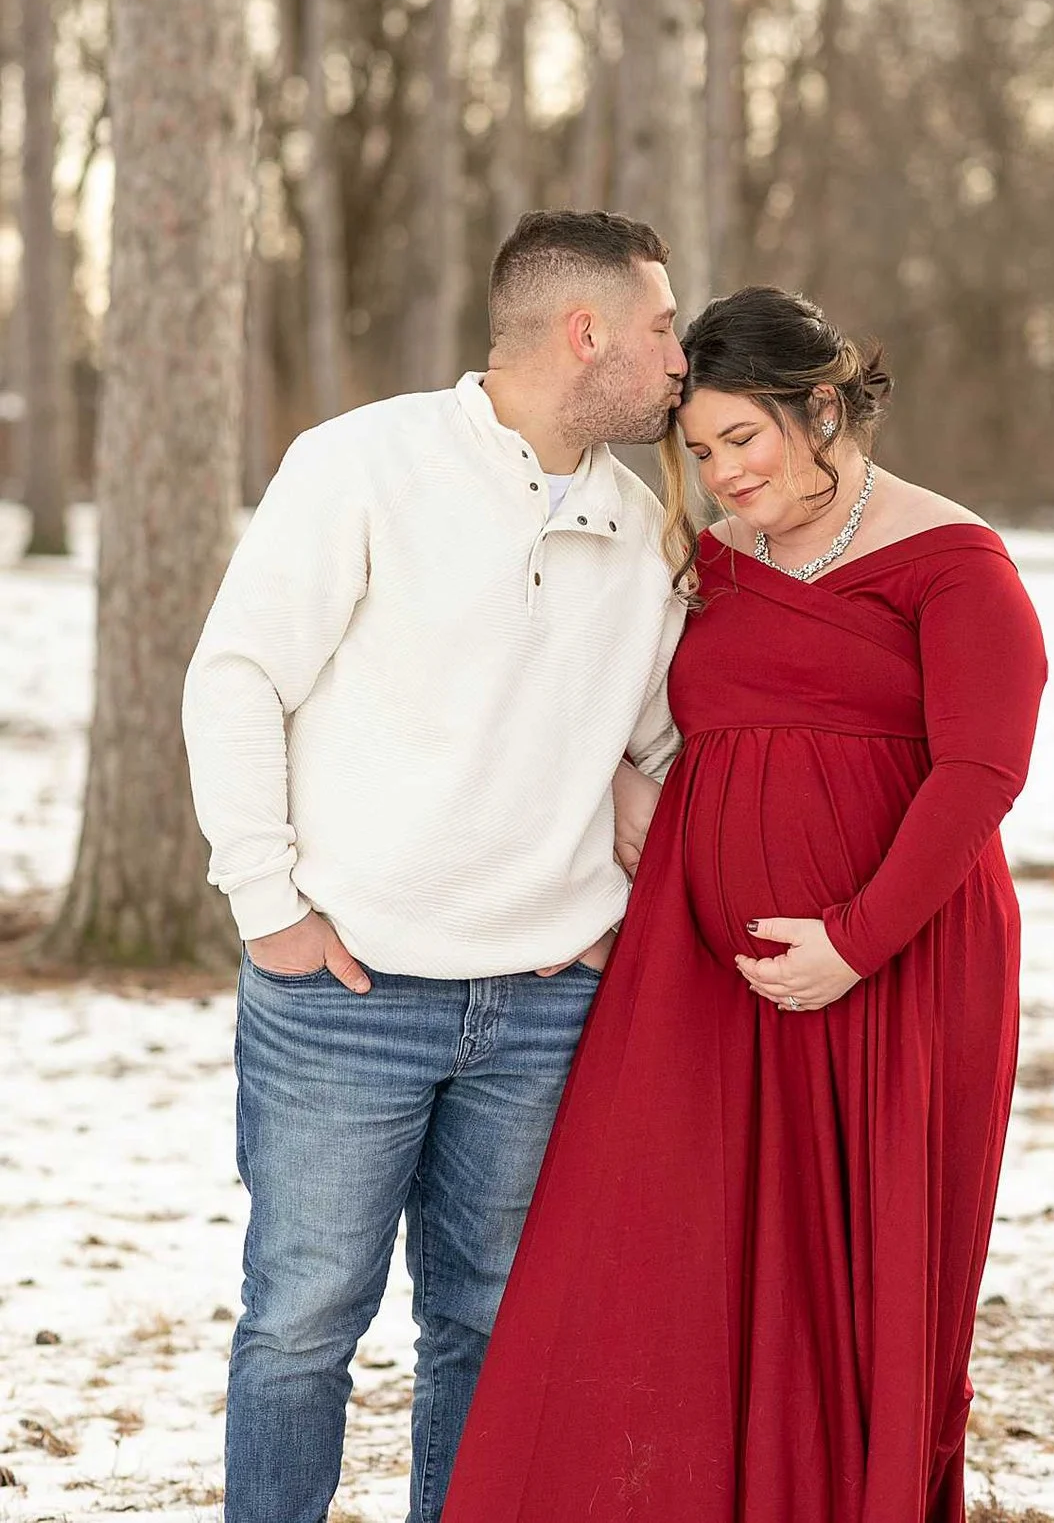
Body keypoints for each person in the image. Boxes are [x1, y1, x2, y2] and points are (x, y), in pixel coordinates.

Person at [443, 285, 1049, 1523]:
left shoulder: (956, 564)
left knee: (861, 1275)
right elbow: (601, 693)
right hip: (701, 980)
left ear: (821, 406)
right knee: (663, 1259)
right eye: (701, 451)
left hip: (896, 970)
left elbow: (982, 771)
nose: (721, 474)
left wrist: (856, 943)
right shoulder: (706, 566)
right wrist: (620, 780)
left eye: (745, 441)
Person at [183, 211, 691, 1523]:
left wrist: (605, 914)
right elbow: (237, 680)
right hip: (344, 994)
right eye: (663, 327)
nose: (679, 358)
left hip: (540, 998)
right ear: (588, 334)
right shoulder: (362, 464)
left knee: (493, 1323)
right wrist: (273, 909)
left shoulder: (641, 530)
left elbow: (664, 750)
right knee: (303, 1320)